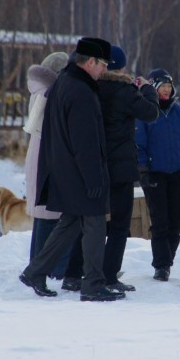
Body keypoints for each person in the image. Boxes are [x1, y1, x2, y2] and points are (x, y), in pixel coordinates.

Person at [19, 37, 124, 302]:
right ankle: (93, 284)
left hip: (65, 170)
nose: (104, 70)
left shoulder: (64, 83)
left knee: (69, 224)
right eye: (103, 65)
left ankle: (35, 271)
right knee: (95, 224)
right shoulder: (80, 91)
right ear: (90, 62)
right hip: (80, 172)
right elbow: (84, 141)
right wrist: (94, 178)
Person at [61, 46, 160, 293]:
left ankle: (73, 274)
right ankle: (109, 275)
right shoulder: (124, 91)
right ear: (121, 68)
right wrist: (147, 89)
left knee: (89, 223)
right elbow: (151, 113)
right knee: (119, 225)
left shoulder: (89, 87)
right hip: (120, 169)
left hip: (93, 166)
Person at [135, 68, 180, 282]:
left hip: (176, 173)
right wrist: (143, 170)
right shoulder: (146, 111)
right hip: (155, 174)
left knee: (178, 220)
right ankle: (161, 266)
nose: (166, 90)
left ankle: (167, 259)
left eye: (169, 86)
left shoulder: (177, 111)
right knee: (160, 221)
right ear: (153, 88)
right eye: (162, 86)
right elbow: (139, 144)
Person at [22, 51, 70, 279]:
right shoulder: (49, 93)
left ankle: (38, 263)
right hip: (46, 158)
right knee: (50, 218)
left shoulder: (38, 90)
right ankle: (49, 268)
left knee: (43, 218)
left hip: (38, 155)